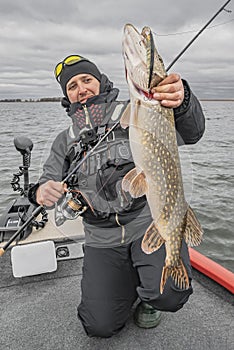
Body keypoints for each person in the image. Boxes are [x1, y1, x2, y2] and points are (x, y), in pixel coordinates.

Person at [28, 54, 205, 338]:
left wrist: (182, 101)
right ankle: (132, 284)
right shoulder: (64, 140)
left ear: (101, 82)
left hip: (146, 221)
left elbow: (192, 132)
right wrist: (41, 191)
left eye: (86, 79)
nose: (81, 88)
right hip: (101, 237)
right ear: (67, 95)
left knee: (170, 293)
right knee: (98, 325)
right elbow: (46, 180)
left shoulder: (136, 110)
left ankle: (150, 297)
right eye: (72, 85)